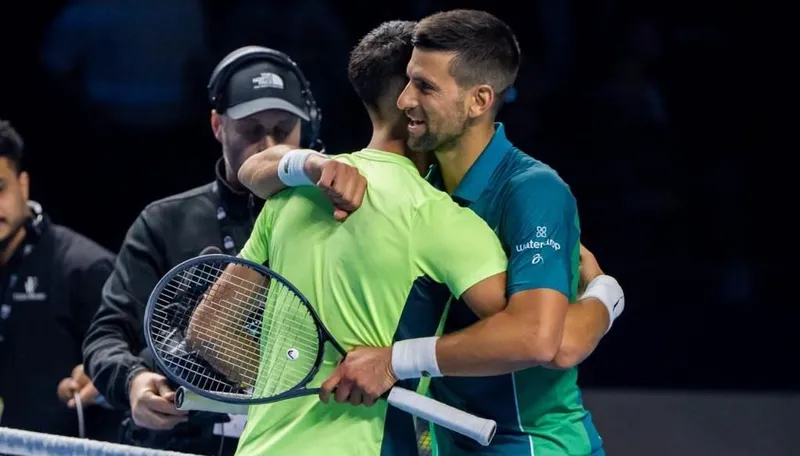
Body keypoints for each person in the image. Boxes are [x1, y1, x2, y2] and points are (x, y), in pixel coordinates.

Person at [240, 11, 623, 456]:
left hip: (535, 445)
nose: (404, 101)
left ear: (479, 101)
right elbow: (253, 170)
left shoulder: (532, 192)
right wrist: (311, 163)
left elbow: (547, 342)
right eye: (406, 82)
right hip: (452, 442)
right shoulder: (424, 191)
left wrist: (606, 293)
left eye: (424, 87)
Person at [222, 20, 509, 456]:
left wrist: (292, 384)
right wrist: (598, 290)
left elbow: (211, 326)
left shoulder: (292, 195)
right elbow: (526, 333)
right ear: (411, 98)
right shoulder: (436, 217)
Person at [81, 46, 323, 456]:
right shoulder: (163, 223)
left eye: (283, 130)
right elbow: (106, 334)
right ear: (217, 125)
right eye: (250, 129)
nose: (268, 145)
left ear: (307, 129)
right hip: (181, 442)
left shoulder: (330, 218)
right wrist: (133, 383)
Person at [0, 120, 122, 441]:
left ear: (22, 186)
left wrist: (98, 382)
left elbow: (130, 370)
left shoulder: (85, 267)